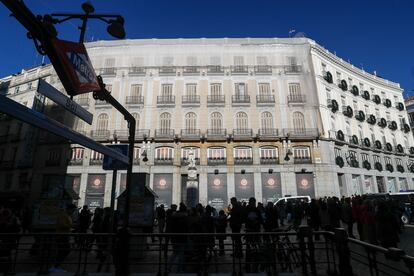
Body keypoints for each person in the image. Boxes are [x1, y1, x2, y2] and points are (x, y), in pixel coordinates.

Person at [50, 204, 76, 273]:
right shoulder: (63, 215)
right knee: (64, 250)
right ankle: (55, 266)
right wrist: (71, 226)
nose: (73, 212)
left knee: (63, 250)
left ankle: (56, 266)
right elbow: (62, 225)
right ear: (69, 209)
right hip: (61, 236)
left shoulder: (67, 215)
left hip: (64, 235)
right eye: (73, 210)